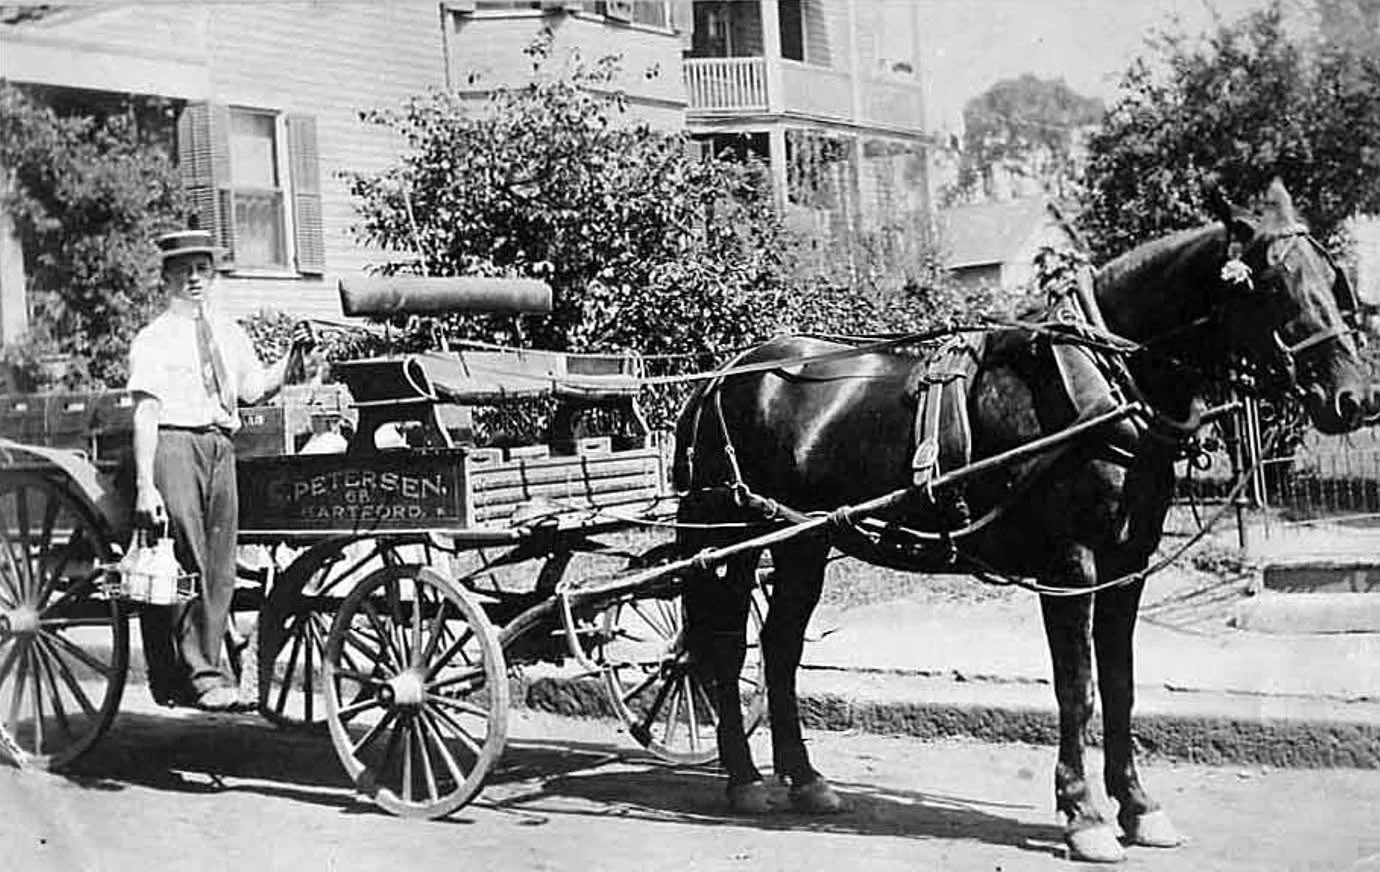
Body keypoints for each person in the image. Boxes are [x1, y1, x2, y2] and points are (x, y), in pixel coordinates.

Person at [127, 229, 313, 711]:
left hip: (219, 447)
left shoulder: (229, 334)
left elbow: (255, 390)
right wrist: (146, 485)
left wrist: (290, 359)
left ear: (212, 275)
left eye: (203, 269)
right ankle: (203, 676)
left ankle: (207, 670)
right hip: (174, 444)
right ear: (166, 276)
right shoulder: (153, 339)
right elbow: (146, 413)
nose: (194, 278)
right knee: (188, 557)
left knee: (220, 565)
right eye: (184, 269)